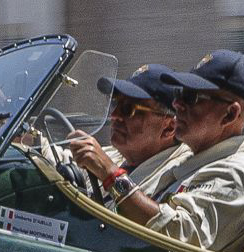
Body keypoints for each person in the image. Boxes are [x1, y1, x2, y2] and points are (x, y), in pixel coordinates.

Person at [71, 50, 244, 252]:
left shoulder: (236, 175)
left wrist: (111, 175)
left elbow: (177, 240)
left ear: (230, 114)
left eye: (191, 97)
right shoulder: (192, 165)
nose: (177, 105)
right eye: (179, 94)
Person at [47, 64, 190, 206]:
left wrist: (110, 173)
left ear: (169, 128)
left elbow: (160, 224)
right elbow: (64, 162)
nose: (114, 115)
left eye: (129, 109)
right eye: (115, 104)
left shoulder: (180, 175)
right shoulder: (116, 155)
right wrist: (32, 140)